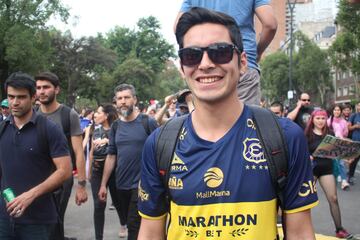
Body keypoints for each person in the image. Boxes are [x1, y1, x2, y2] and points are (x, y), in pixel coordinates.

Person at [138, 8, 318, 240]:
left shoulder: (284, 136)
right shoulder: (159, 143)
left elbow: (300, 233)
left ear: (243, 63)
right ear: (183, 68)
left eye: (220, 52)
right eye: (192, 55)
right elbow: (150, 234)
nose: (205, 64)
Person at [0, 72, 72, 239]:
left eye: (21, 97)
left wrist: (30, 195)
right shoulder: (2, 129)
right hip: (4, 219)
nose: (15, 102)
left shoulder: (49, 129)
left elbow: (65, 171)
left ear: (33, 98)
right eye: (11, 97)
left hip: (38, 221)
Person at [174, 0, 277, 106]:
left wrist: (193, 54)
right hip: (242, 64)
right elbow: (270, 25)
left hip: (201, 70)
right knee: (246, 118)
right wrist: (257, 53)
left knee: (206, 119)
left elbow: (178, 27)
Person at [98, 84, 158, 240]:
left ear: (135, 99)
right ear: (116, 102)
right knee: (129, 222)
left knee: (134, 226)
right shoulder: (116, 126)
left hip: (142, 186)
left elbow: (160, 150)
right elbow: (111, 156)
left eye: (126, 97)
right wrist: (103, 184)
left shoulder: (147, 122)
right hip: (121, 185)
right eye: (119, 98)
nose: (123, 101)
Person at [35, 72, 88, 240]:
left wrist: (81, 185)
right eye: (38, 88)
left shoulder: (68, 115)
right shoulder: (32, 114)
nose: (41, 91)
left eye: (46, 87)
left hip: (61, 179)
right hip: (36, 177)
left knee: (54, 221)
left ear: (56, 89)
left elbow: (79, 152)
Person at [304, 109, 352, 238]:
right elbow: (301, 151)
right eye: (318, 118)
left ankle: (339, 229)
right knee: (304, 200)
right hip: (311, 170)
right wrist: (307, 156)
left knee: (334, 199)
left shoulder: (330, 134)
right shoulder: (307, 135)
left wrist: (347, 155)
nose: (320, 121)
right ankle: (300, 229)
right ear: (313, 119)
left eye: (323, 118)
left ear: (326, 120)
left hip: (326, 170)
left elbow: (338, 152)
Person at [88, 104, 125, 240]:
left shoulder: (117, 128)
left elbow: (122, 146)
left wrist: (107, 140)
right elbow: (91, 150)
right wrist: (89, 172)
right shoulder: (95, 129)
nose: (95, 115)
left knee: (118, 201)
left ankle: (123, 223)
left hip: (114, 171)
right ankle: (99, 237)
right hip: (97, 170)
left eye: (98, 113)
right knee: (98, 205)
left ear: (106, 115)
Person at [327, 104, 350, 190]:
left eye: (338, 110)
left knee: (341, 163)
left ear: (341, 111)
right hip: (330, 144)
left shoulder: (343, 122)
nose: (337, 111)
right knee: (333, 163)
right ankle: (333, 180)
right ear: (332, 111)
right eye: (335, 110)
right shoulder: (328, 121)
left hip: (340, 144)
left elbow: (345, 134)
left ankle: (344, 181)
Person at [348, 101, 360, 185]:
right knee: (354, 160)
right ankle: (350, 176)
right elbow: (348, 127)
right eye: (359, 105)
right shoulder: (353, 116)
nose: (359, 107)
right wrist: (355, 126)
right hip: (356, 141)